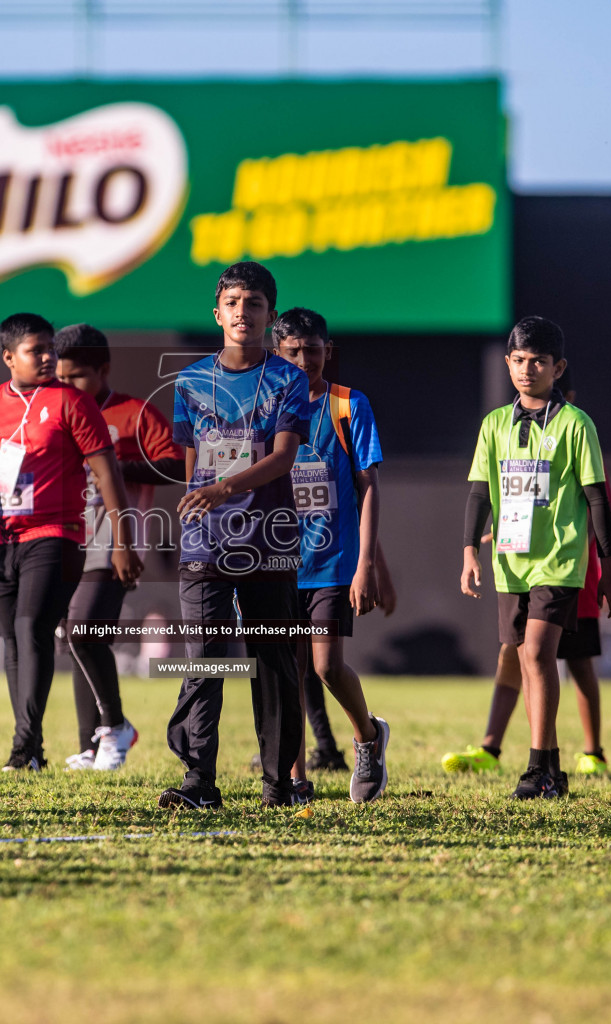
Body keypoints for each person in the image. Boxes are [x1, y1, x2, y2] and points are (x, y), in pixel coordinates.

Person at [161, 260, 330, 811]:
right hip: (205, 545)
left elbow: (284, 458)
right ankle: (198, 781)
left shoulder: (288, 378)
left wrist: (222, 488)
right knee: (205, 658)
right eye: (233, 303)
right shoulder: (188, 382)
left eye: (253, 304)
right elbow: (191, 467)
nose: (242, 312)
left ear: (269, 315)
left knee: (273, 663)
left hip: (270, 544)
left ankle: (278, 785)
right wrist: (200, 504)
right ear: (217, 313)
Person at [0, 314, 140, 772]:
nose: (48, 357)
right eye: (37, 351)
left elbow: (107, 472)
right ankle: (32, 749)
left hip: (56, 533)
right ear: (8, 357)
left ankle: (23, 747)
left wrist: (122, 541)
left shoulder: (72, 402)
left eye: (49, 348)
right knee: (14, 642)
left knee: (34, 626)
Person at [461, 316, 611, 799]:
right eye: (518, 360)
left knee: (537, 654)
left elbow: (597, 498)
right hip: (510, 560)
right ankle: (551, 766)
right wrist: (469, 549)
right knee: (524, 658)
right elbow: (479, 492)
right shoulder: (494, 424)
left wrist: (609, 569)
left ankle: (537, 768)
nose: (527, 369)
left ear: (558, 367)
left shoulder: (577, 424)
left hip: (559, 560)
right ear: (507, 363)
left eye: (538, 361)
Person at [270, 307, 391, 804]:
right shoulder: (263, 406)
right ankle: (296, 779)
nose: (303, 361)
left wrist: (366, 564)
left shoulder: (348, 405)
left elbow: (368, 488)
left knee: (325, 666)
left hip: (333, 562)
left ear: (328, 350)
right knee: (288, 670)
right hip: (276, 562)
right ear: (276, 354)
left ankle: (367, 737)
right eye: (292, 352)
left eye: (312, 350)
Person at [52, 323, 182, 771]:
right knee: (82, 639)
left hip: (114, 538)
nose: (67, 386)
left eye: (77, 377)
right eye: (61, 377)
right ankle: (93, 746)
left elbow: (176, 464)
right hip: (65, 535)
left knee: (81, 630)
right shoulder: (53, 410)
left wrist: (117, 464)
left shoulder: (132, 413)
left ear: (103, 369)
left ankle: (115, 727)